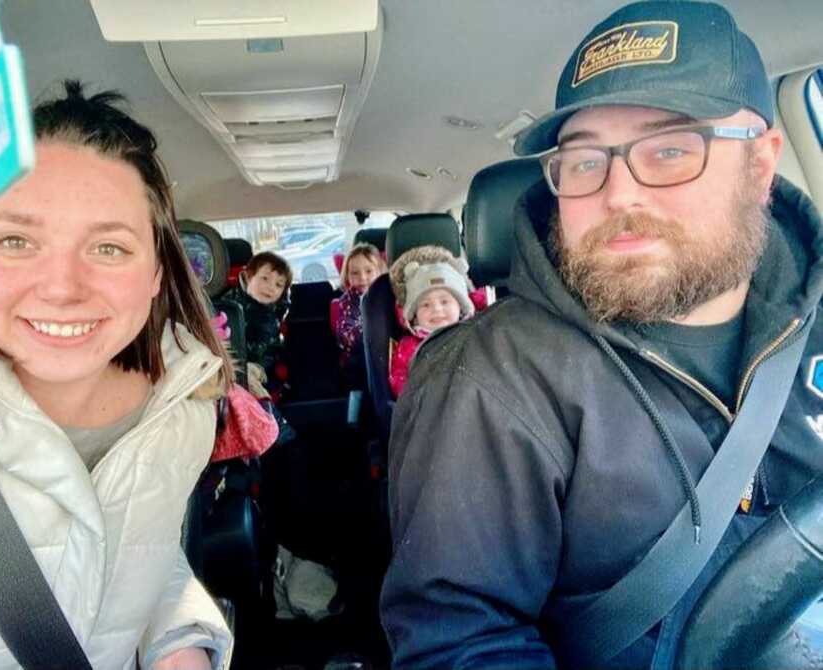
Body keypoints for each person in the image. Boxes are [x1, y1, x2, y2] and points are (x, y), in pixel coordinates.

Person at [380, 2, 823, 668]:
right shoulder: (488, 379)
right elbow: (459, 642)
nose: (619, 193)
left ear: (761, 165)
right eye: (585, 162)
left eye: (671, 149)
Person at [0, 81, 236, 669]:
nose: (62, 288)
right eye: (16, 240)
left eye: (109, 248)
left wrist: (181, 639)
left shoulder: (182, 412)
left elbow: (131, 548)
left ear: (155, 274)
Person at [388, 245, 474, 398]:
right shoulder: (409, 346)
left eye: (445, 302)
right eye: (425, 305)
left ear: (460, 307)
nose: (437, 309)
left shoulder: (473, 334)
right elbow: (399, 378)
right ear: (414, 315)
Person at [222, 251, 291, 396]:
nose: (271, 287)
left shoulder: (275, 311)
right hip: (235, 367)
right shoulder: (230, 306)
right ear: (247, 277)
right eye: (264, 278)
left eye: (279, 285)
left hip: (264, 368)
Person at [334, 242, 386, 369]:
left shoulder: (387, 296)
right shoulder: (347, 301)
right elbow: (347, 336)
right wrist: (372, 328)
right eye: (355, 273)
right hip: (359, 357)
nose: (362, 278)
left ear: (380, 271)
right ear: (347, 276)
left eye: (369, 271)